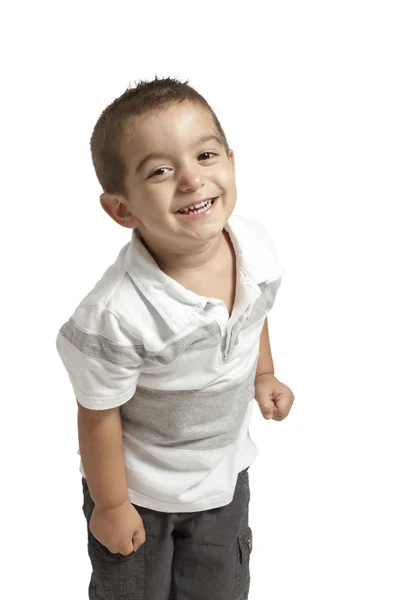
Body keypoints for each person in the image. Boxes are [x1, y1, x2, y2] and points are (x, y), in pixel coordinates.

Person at [56, 76, 295, 600]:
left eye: (206, 156)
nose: (191, 180)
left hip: (222, 475)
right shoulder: (115, 315)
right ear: (123, 209)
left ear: (231, 162)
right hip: (141, 490)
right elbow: (98, 414)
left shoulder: (255, 247)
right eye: (161, 171)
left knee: (219, 588)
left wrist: (263, 372)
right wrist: (112, 505)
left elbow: (252, 313)